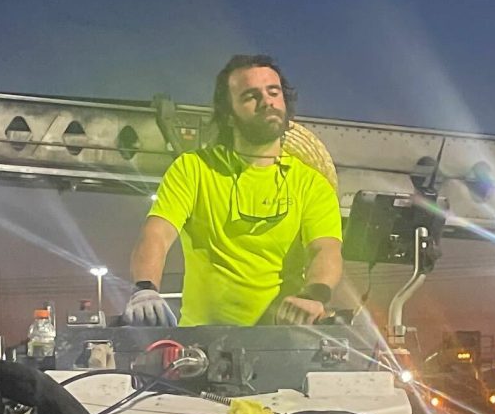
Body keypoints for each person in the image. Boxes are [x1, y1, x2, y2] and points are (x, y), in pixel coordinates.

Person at [124, 54, 344, 327]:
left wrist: (315, 296)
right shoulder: (194, 169)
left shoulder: (311, 183)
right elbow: (157, 233)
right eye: (251, 96)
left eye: (273, 92)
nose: (267, 102)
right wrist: (145, 288)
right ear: (228, 115)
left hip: (282, 342)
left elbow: (326, 250)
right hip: (201, 344)